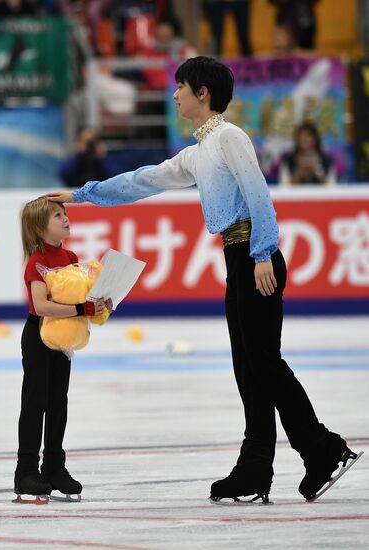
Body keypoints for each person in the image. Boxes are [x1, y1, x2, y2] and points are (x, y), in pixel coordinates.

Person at [46, 56, 359, 503]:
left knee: (264, 364)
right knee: (249, 369)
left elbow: (258, 193)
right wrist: (83, 195)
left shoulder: (230, 138)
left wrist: (264, 253)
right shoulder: (198, 152)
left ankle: (323, 450)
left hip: (255, 255)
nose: (173, 95)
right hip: (239, 258)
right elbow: (144, 180)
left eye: (179, 87)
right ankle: (255, 470)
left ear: (202, 93)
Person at [14, 197, 107, 503]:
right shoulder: (36, 261)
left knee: (58, 402)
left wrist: (99, 304)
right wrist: (82, 306)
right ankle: (26, 470)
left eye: (64, 213)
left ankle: (54, 465)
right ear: (40, 228)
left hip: (63, 338)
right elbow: (41, 305)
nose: (65, 218)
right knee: (35, 401)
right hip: (39, 335)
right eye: (57, 215)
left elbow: (79, 299)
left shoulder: (70, 257)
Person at [279, 122, 336, 186]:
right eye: (301, 135)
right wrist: (299, 174)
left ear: (315, 139)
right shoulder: (289, 159)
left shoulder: (326, 160)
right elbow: (283, 186)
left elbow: (332, 186)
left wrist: (316, 172)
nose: (304, 138)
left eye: (308, 135)